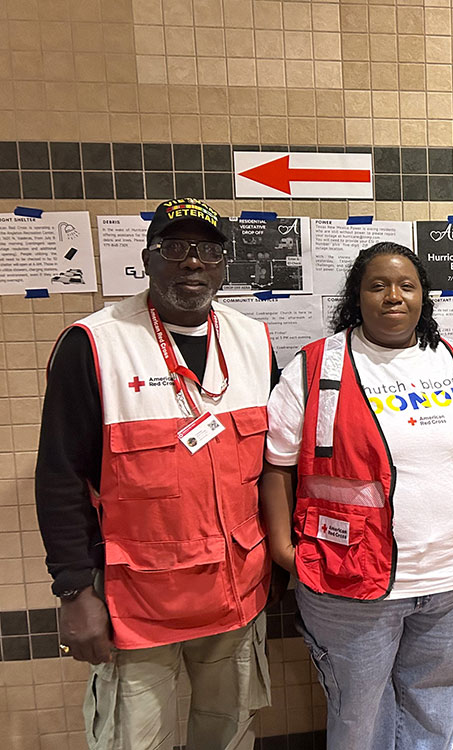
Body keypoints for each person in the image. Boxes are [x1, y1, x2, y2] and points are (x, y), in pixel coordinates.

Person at [35, 198, 278, 749]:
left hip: (236, 596)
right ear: (148, 259)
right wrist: (74, 591)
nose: (192, 263)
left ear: (223, 266)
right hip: (135, 605)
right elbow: (59, 478)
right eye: (175, 249)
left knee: (230, 736)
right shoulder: (94, 344)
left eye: (208, 251)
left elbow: (274, 470)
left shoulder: (253, 341)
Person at [260, 241, 453, 750]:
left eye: (406, 285)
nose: (394, 296)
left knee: (435, 708)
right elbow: (277, 468)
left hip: (449, 580)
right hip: (349, 582)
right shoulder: (313, 369)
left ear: (424, 297)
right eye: (378, 285)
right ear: (356, 296)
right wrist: (285, 552)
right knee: (359, 716)